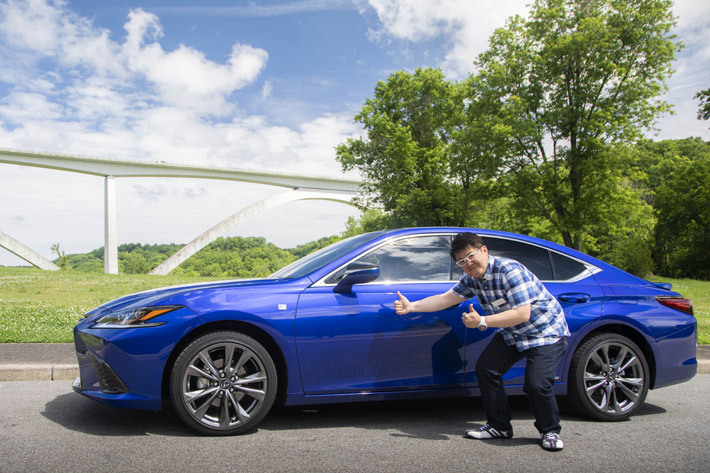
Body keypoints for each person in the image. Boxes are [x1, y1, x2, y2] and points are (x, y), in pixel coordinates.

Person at [394, 232, 570, 451]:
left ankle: (550, 431)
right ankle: (499, 426)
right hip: (513, 334)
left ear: (484, 250)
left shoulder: (509, 271)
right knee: (486, 369)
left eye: (470, 256)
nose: (467, 264)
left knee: (536, 385)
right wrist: (412, 306)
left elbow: (523, 314)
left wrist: (482, 321)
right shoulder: (471, 278)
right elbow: (446, 299)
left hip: (546, 332)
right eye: (461, 261)